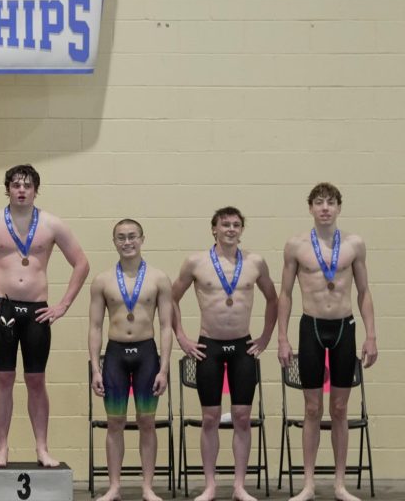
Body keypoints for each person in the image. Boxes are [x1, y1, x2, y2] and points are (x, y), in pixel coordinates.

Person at [0, 165, 89, 467]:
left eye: (27, 185)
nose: (21, 190)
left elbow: (81, 263)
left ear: (36, 190)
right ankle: (2, 449)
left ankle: (42, 448)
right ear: (8, 189)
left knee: (36, 380)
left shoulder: (52, 224)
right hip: (3, 308)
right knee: (3, 378)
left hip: (38, 311)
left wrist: (63, 305)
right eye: (16, 185)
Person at [277, 183, 377, 501]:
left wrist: (371, 335)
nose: (324, 208)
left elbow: (364, 292)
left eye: (330, 203)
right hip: (312, 328)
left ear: (338, 208)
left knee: (339, 408)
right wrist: (282, 337)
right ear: (310, 208)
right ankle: (308, 484)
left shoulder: (354, 244)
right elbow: (285, 294)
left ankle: (339, 484)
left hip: (344, 328)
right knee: (311, 408)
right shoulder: (295, 245)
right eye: (319, 202)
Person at [171, 206, 278, 501]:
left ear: (241, 230)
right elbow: (171, 298)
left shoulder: (255, 262)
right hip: (210, 348)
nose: (231, 229)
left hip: (242, 347)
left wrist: (266, 336)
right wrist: (182, 337)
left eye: (236, 225)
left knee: (242, 417)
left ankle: (239, 486)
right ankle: (210, 485)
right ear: (214, 229)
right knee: (210, 418)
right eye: (225, 224)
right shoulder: (195, 262)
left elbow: (273, 299)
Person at [88, 219, 174, 501]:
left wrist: (164, 368)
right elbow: (95, 327)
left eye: (132, 236)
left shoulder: (159, 279)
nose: (127, 242)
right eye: (121, 237)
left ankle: (147, 487)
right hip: (115, 355)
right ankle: (114, 486)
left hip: (146, 354)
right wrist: (95, 368)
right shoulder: (102, 281)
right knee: (115, 422)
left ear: (142, 239)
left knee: (147, 421)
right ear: (114, 242)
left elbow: (166, 326)